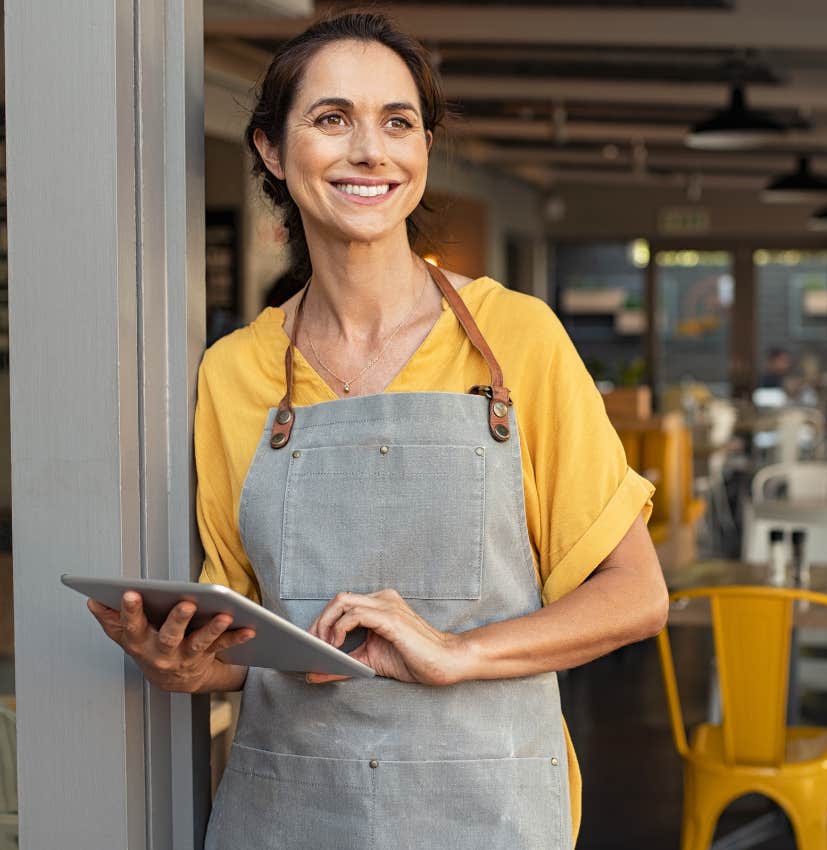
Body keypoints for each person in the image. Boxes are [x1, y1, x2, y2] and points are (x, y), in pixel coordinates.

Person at [88, 11, 668, 849]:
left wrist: (454, 653)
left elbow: (637, 593)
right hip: (290, 809)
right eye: (332, 120)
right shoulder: (234, 372)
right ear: (271, 152)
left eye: (399, 122)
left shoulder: (519, 339)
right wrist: (187, 665)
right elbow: (248, 637)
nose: (371, 151)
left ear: (425, 150)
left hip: (488, 811)